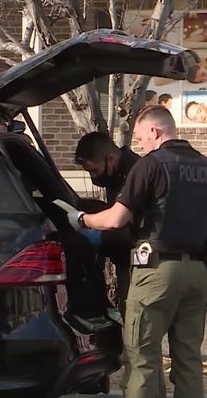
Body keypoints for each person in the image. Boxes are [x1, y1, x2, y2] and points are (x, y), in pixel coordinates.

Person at [67, 105, 207, 398]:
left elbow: (117, 218)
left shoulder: (150, 165)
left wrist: (81, 220)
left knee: (141, 357)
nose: (139, 145)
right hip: (198, 274)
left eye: (141, 138)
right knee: (189, 359)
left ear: (155, 131)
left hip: (156, 272)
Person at [74, 131, 141, 315]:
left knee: (137, 327)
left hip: (140, 262)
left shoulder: (136, 173)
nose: (94, 177)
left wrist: (85, 221)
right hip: (128, 259)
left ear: (110, 158)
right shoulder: (115, 174)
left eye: (95, 170)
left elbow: (119, 221)